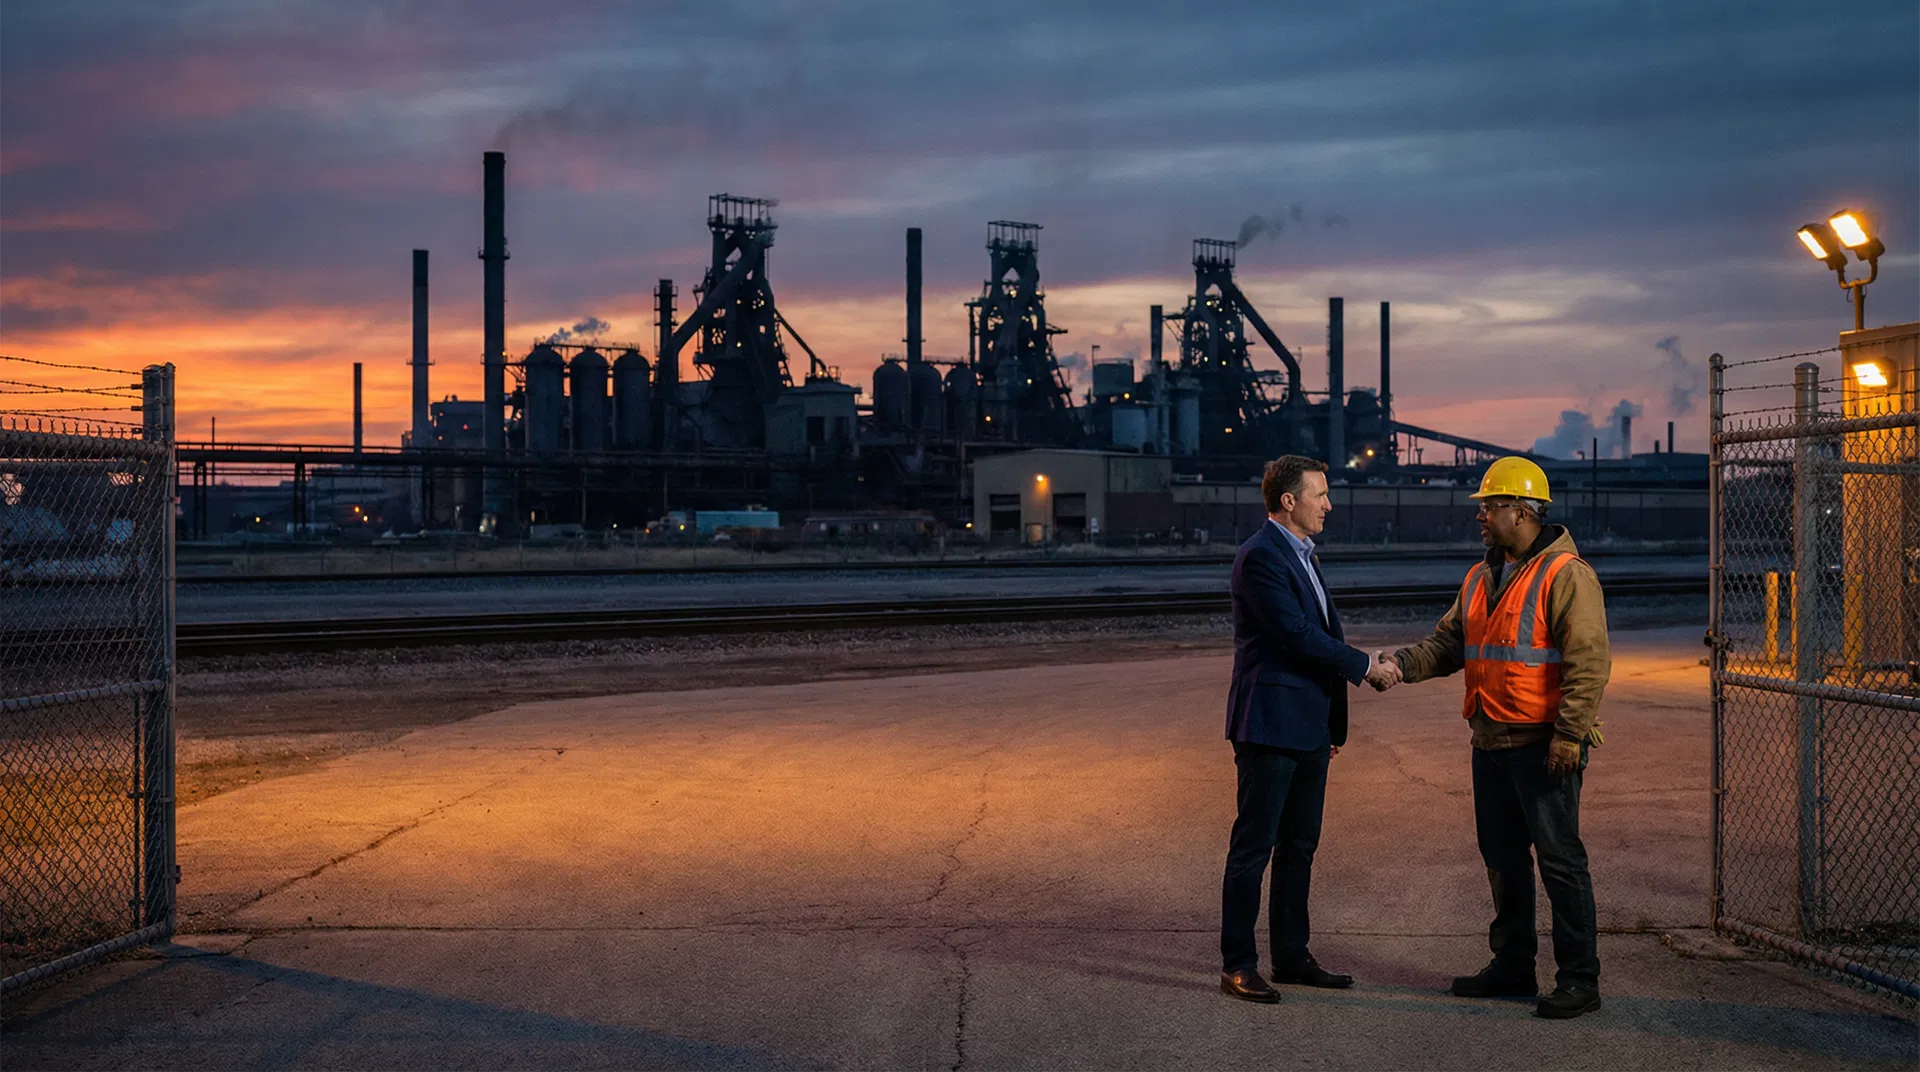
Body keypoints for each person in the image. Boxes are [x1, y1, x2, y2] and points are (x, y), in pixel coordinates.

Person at [1370, 456, 1610, 1020]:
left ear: (1523, 511)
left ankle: (1579, 979)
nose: (1481, 515)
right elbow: (1449, 643)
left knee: (1560, 861)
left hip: (1542, 744)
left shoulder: (1566, 575)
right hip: (1490, 739)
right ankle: (1513, 967)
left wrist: (1570, 735)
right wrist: (1400, 665)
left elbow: (1588, 663)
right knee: (1503, 859)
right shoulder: (1480, 577)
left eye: (1491, 505)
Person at [1220, 455, 1399, 1004]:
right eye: (1320, 494)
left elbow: (1315, 635)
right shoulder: (1261, 557)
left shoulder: (1302, 556)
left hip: (1309, 729)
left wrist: (1330, 727)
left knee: (1300, 846)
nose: (1329, 504)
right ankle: (1239, 963)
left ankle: (1292, 957)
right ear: (1289, 501)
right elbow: (1297, 636)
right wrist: (1366, 666)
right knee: (1254, 848)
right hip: (1270, 727)